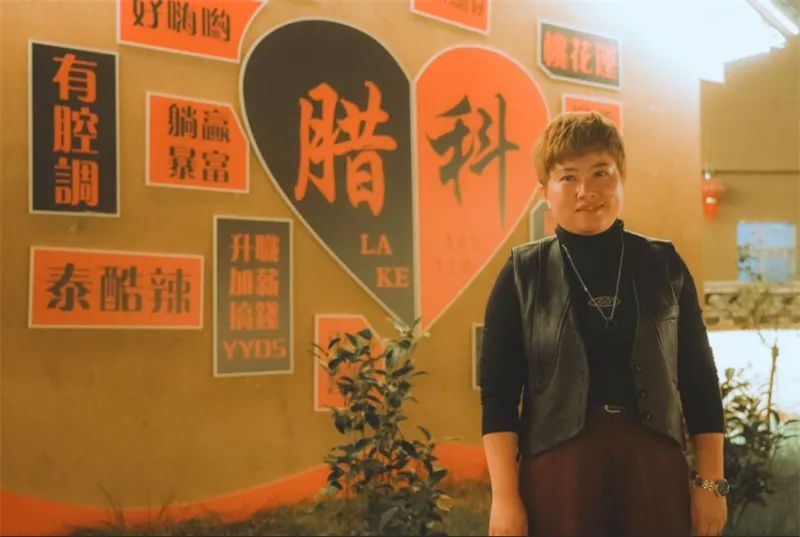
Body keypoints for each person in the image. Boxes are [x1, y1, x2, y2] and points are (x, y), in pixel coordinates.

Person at [479, 111, 728, 537]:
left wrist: (711, 484)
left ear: (622, 176)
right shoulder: (522, 273)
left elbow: (699, 379)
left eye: (600, 173)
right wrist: (504, 497)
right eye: (568, 178)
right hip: (559, 473)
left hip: (653, 469)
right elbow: (498, 395)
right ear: (544, 190)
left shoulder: (664, 265)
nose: (586, 192)